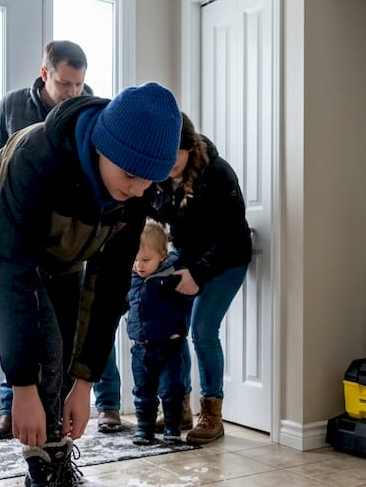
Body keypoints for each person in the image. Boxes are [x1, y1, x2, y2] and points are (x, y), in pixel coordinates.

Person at [0, 82, 182, 487]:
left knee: (65, 345)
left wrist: (84, 382)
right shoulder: (38, 155)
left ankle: (57, 464)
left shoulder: (134, 185)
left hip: (63, 246)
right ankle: (46, 486)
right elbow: (11, 276)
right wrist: (22, 386)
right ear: (105, 145)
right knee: (46, 346)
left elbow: (109, 288)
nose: (138, 189)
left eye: (149, 181)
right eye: (130, 175)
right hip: (1, 233)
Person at [0, 40, 94, 443]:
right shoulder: (13, 107)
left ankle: (54, 437)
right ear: (45, 74)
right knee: (22, 321)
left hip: (62, 243)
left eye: (79, 84)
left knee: (60, 340)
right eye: (65, 83)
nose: (72, 92)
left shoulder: (88, 111)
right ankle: (13, 411)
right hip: (15, 234)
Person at [92, 114, 250, 444]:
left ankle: (212, 414)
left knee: (203, 330)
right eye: (166, 155)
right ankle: (181, 409)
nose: (170, 163)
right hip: (189, 259)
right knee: (175, 330)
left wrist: (198, 274)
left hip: (226, 259)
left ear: (190, 148)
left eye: (177, 154)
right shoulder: (157, 177)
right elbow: (135, 222)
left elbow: (233, 236)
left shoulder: (217, 174)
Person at [124, 220, 195, 445]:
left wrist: (179, 329)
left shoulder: (173, 276)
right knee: (143, 391)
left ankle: (172, 427)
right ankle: (144, 428)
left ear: (162, 256)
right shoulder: (132, 280)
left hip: (169, 347)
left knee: (171, 390)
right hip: (141, 348)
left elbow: (188, 299)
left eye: (145, 260)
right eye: (135, 259)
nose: (139, 265)